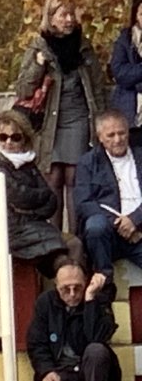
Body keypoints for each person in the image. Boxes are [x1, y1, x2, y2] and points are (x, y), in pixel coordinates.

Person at [15, 0, 105, 223]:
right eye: (64, 15)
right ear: (51, 17)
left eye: (72, 14)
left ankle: (76, 238)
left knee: (75, 178)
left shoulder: (83, 46)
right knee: (53, 178)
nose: (69, 20)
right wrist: (38, 66)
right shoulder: (39, 46)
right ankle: (55, 239)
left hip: (78, 119)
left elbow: (97, 88)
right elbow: (23, 89)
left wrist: (100, 123)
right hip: (49, 123)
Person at [26, 260, 120, 381]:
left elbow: (97, 338)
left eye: (77, 288)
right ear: (56, 285)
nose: (72, 294)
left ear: (86, 282)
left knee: (96, 350)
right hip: (62, 370)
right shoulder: (45, 303)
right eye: (65, 289)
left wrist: (90, 299)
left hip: (94, 371)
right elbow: (36, 342)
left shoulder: (99, 299)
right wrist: (46, 371)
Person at [0, 110, 69, 272]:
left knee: (74, 245)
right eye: (3, 137)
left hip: (32, 228)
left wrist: (31, 208)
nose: (9, 142)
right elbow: (18, 196)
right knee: (65, 252)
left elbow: (52, 202)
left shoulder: (28, 164)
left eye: (15, 137)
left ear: (24, 139)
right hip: (11, 233)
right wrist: (38, 202)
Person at [74, 108, 142, 279]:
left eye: (122, 133)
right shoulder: (88, 162)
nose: (117, 140)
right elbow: (84, 203)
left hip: (140, 231)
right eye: (111, 135)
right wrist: (120, 225)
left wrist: (135, 220)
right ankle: (104, 282)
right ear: (100, 137)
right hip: (108, 235)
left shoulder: (140, 155)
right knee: (95, 225)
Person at [108, 0, 142, 124]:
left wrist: (135, 76)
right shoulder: (125, 39)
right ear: (136, 16)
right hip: (129, 111)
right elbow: (120, 73)